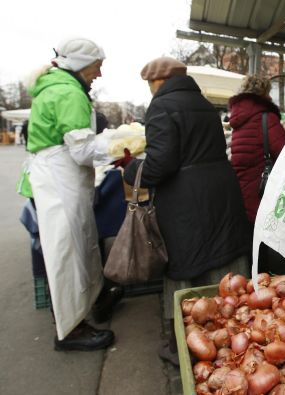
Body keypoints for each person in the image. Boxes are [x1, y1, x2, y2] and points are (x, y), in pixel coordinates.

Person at [121, 57, 251, 365]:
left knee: (185, 261)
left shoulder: (162, 106)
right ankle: (229, 328)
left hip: (185, 198)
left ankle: (184, 341)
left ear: (157, 82)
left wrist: (132, 170)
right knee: (222, 258)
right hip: (220, 190)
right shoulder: (204, 104)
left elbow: (161, 162)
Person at [26, 37, 115, 351]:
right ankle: (70, 330)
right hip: (59, 180)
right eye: (97, 66)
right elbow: (82, 150)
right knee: (66, 253)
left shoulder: (58, 86)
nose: (99, 74)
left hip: (54, 178)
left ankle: (88, 304)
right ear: (79, 64)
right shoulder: (67, 92)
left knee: (77, 246)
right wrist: (120, 143)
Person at [227, 75, 285, 274]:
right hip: (259, 189)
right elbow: (283, 152)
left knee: (249, 240)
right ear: (265, 93)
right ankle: (260, 284)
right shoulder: (266, 117)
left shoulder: (239, 118)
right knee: (260, 243)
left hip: (241, 187)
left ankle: (248, 281)